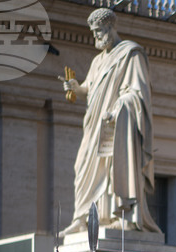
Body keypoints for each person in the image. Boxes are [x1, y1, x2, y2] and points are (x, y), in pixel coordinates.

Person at [61, 8, 158, 234]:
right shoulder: (97, 61)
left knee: (117, 165)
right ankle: (83, 217)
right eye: (93, 33)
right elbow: (91, 88)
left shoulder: (131, 54)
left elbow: (137, 93)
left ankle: (123, 215)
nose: (95, 37)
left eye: (98, 32)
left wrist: (118, 109)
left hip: (118, 125)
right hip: (95, 125)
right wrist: (78, 88)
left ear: (111, 27)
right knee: (82, 163)